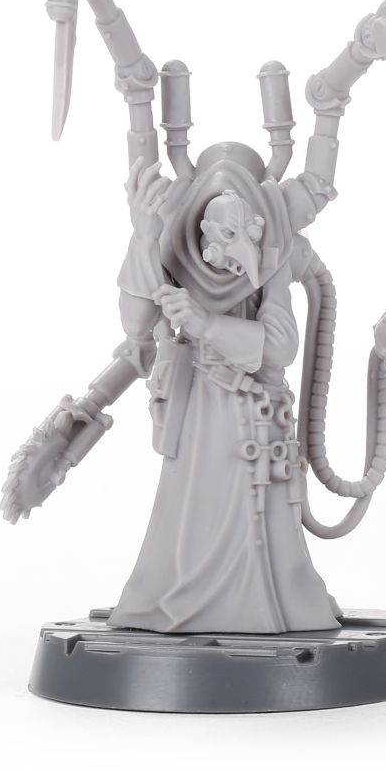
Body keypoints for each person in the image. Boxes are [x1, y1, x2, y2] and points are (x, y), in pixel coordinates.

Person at [107, 156, 341, 634]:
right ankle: (175, 600)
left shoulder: (272, 257)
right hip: (197, 411)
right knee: (191, 517)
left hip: (255, 411)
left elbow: (281, 346)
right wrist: (144, 236)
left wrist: (208, 324)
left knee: (267, 527)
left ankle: (279, 603)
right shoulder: (176, 245)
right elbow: (136, 325)